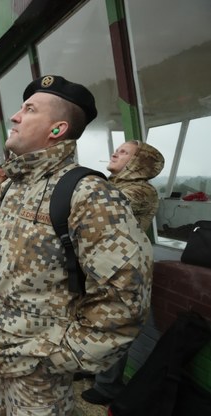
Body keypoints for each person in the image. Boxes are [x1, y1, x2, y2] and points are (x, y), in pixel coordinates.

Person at [0, 75, 154, 415]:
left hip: (40, 381)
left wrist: (52, 359)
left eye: (29, 110)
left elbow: (125, 303)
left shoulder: (90, 194)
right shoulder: (12, 188)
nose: (15, 117)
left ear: (57, 129)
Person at [81, 140, 164, 405]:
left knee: (112, 326)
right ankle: (90, 369)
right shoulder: (114, 184)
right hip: (103, 268)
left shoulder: (141, 191)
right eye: (118, 148)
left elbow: (102, 206)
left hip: (123, 272)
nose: (116, 152)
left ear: (139, 162)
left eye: (125, 151)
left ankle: (108, 387)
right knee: (92, 320)